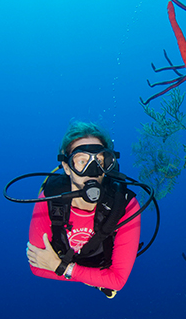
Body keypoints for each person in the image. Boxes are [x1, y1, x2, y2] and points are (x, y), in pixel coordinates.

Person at [26, 121, 141, 297]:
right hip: (87, 268)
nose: (92, 171)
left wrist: (60, 267)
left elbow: (117, 281)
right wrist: (98, 279)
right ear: (67, 167)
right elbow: (36, 268)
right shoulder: (49, 198)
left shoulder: (125, 206)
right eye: (82, 161)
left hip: (97, 262)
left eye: (100, 161)